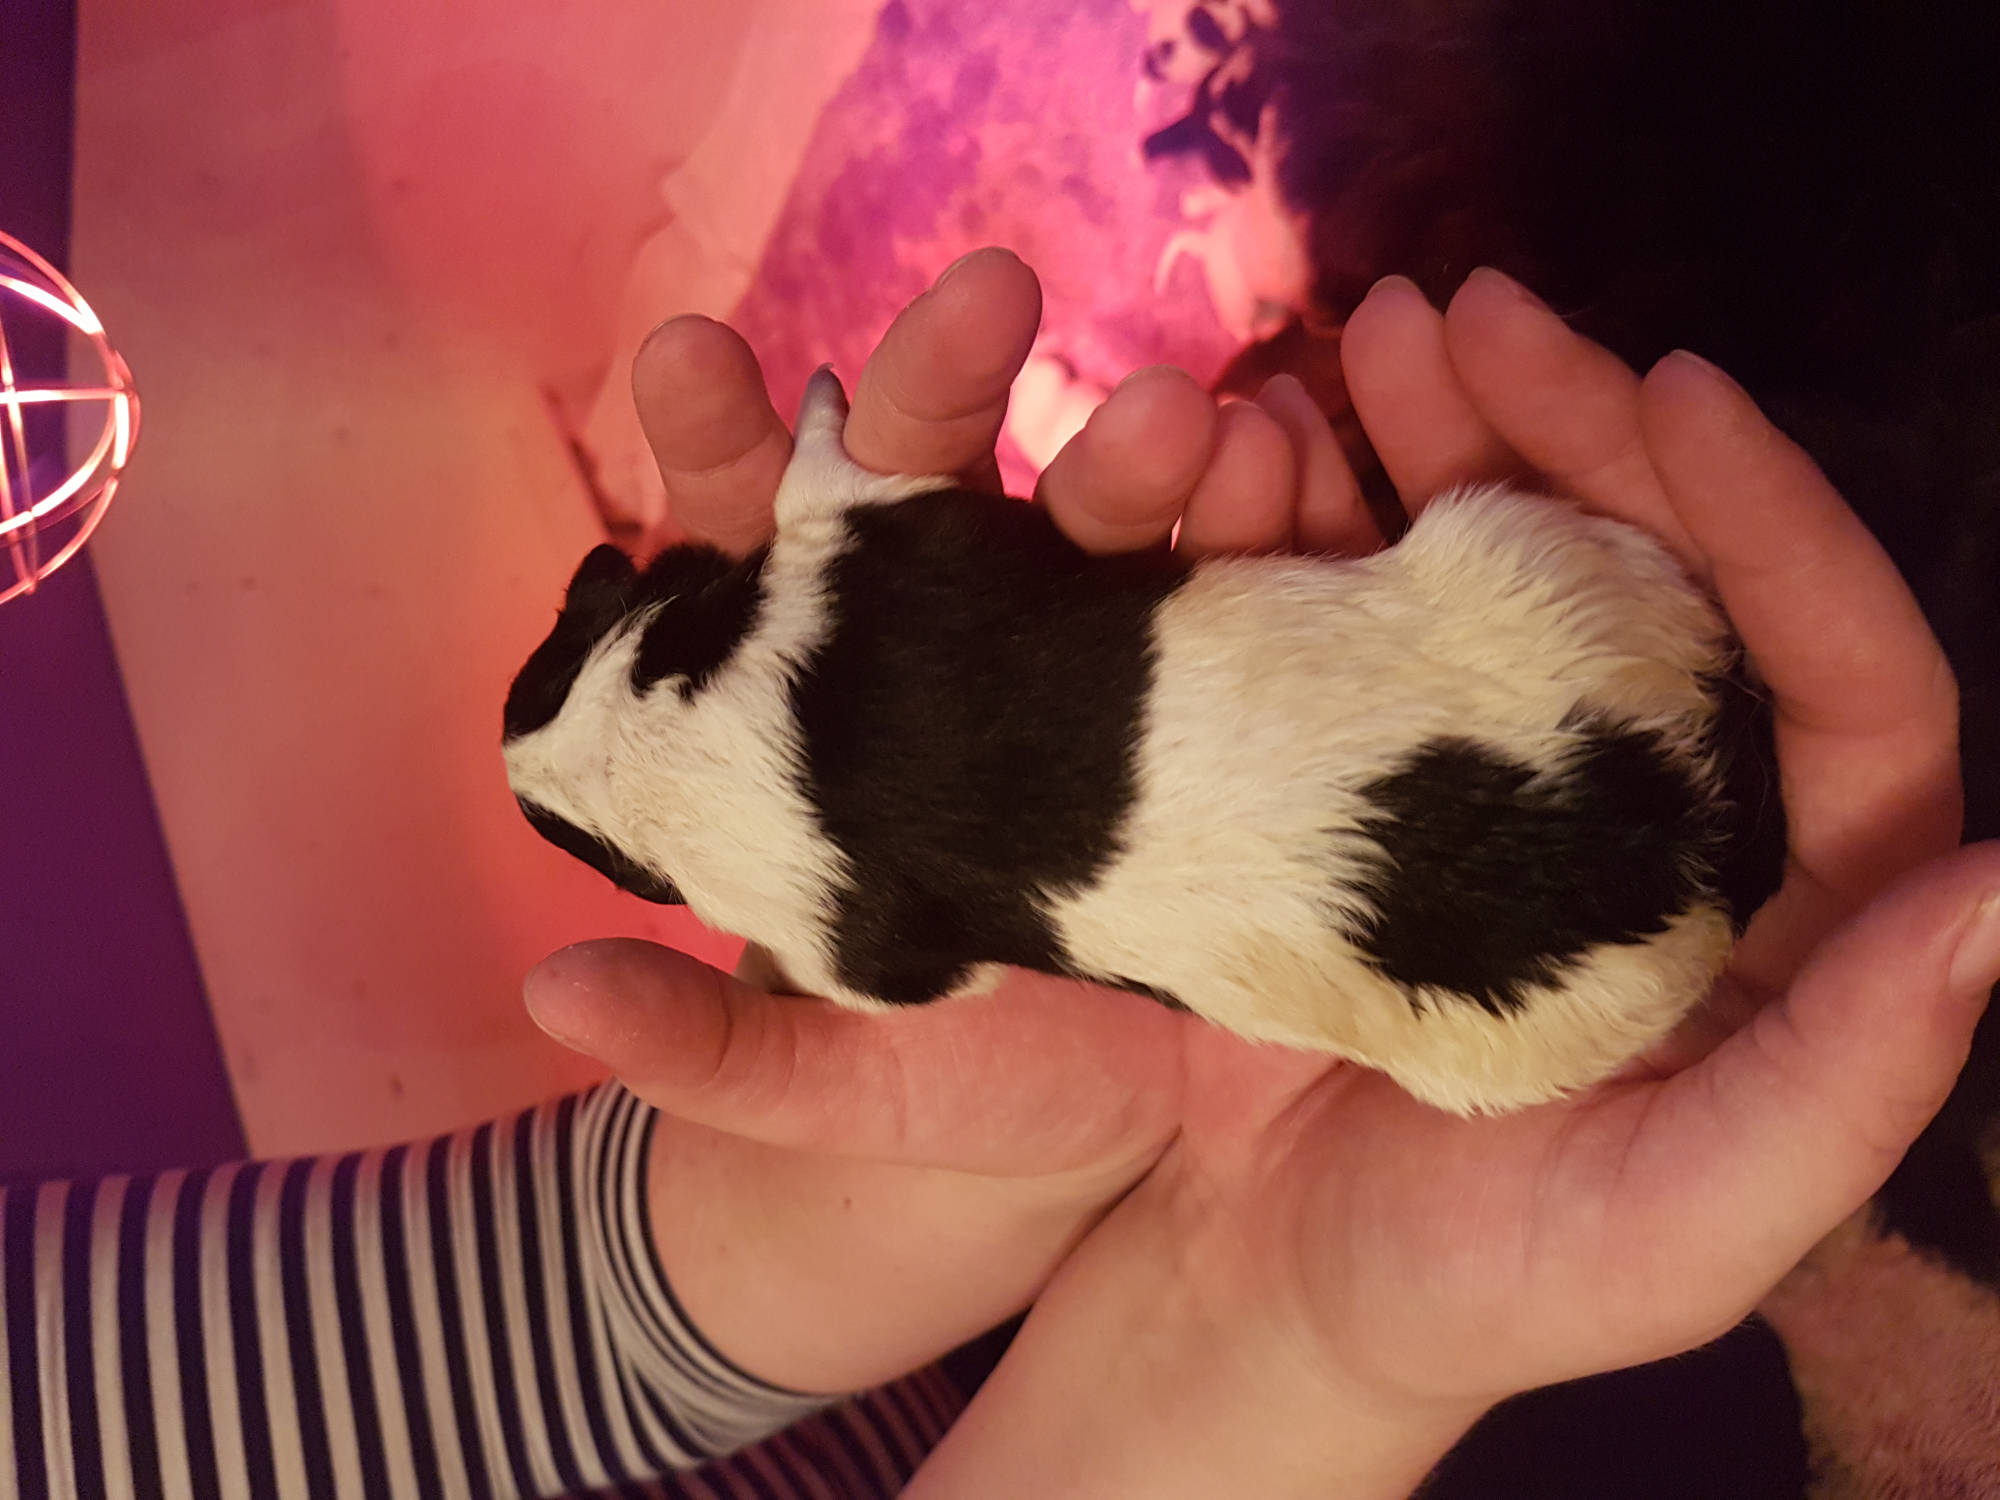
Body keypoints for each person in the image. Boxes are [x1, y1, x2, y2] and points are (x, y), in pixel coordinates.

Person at [6, 247, 1990, 1499]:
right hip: (1541, 728)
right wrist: (1275, 1346)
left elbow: (899, 981)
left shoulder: (836, 916)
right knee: (1485, 589)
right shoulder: (860, 634)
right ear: (647, 640)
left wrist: (845, 1220)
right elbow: (889, 564)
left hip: (1519, 1020)